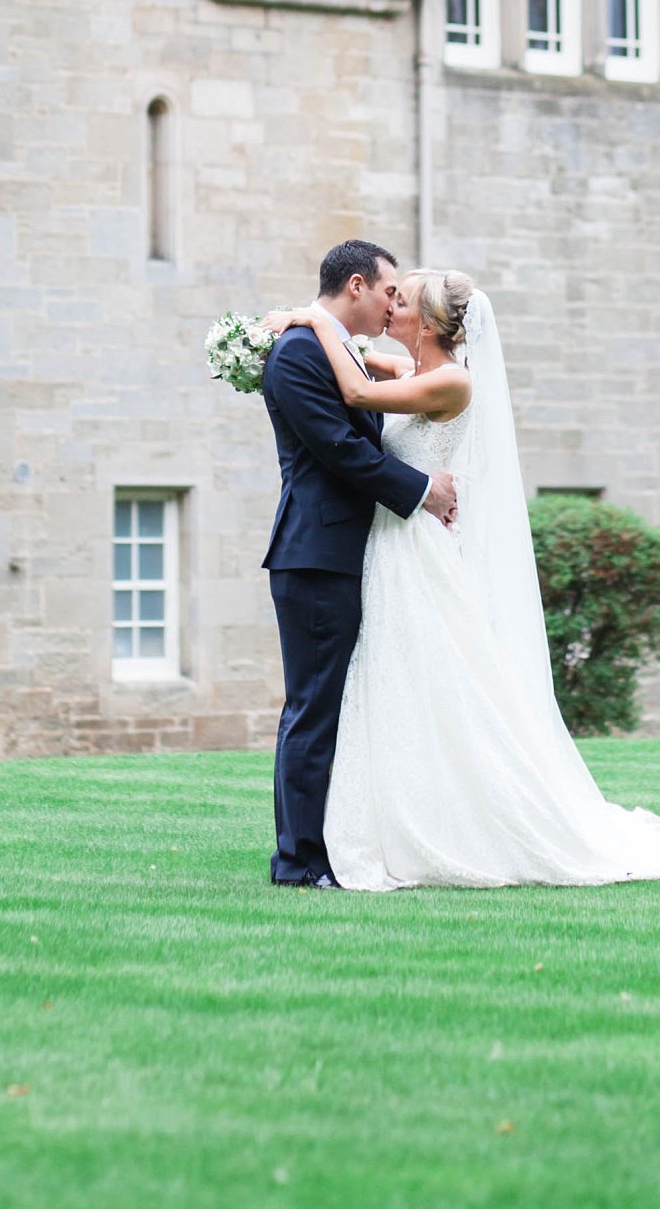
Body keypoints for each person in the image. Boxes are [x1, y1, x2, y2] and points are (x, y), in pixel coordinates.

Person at [267, 272, 660, 891]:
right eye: (389, 294)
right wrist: (301, 329)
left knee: (442, 689)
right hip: (387, 550)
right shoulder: (411, 372)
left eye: (400, 301)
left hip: (412, 552)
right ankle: (384, 823)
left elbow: (353, 391)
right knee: (391, 692)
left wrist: (314, 318)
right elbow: (359, 361)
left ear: (428, 324)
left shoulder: (451, 380)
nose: (390, 306)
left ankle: (458, 826)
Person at [259, 240, 458, 888]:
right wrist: (422, 492)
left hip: (347, 553)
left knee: (336, 709)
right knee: (313, 710)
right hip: (316, 554)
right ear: (354, 286)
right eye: (387, 290)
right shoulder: (298, 354)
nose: (392, 302)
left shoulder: (335, 348)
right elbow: (341, 450)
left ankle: (331, 847)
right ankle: (298, 863)